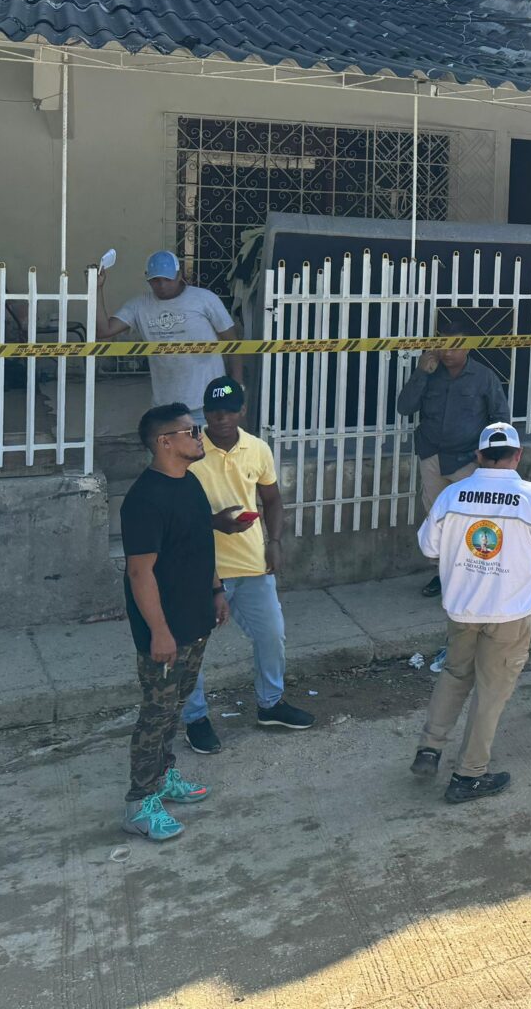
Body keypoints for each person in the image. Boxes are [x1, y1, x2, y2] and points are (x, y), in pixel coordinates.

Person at [411, 422, 531, 803]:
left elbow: (428, 547)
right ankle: (469, 774)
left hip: (462, 610)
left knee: (454, 674)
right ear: (518, 455)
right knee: (491, 692)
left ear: (478, 456)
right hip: (509, 613)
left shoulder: (452, 495)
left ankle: (429, 749)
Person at [179, 377, 315, 756]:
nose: (220, 418)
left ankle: (270, 704)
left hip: (252, 563)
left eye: (228, 411)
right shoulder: (190, 449)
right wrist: (213, 522)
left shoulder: (257, 448)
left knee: (272, 635)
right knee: (193, 647)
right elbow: (174, 510)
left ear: (242, 411)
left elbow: (272, 499)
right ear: (204, 413)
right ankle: (195, 718)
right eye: (213, 411)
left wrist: (275, 542)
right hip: (201, 567)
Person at [120, 403, 230, 843]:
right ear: (165, 442)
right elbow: (139, 573)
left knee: (176, 707)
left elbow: (202, 542)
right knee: (156, 714)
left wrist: (217, 590)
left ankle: (164, 777)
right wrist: (159, 631)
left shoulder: (191, 482)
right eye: (192, 431)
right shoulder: (145, 499)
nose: (200, 437)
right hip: (164, 630)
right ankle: (139, 803)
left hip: (195, 620)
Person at [396, 316, 512, 597]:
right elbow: (404, 407)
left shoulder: (483, 377)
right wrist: (421, 373)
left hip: (468, 460)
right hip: (432, 456)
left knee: (474, 519)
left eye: (454, 346)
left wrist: (490, 458)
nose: (447, 352)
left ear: (468, 347)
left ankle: (474, 576)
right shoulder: (430, 373)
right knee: (437, 519)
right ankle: (443, 574)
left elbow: (500, 419)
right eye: (442, 345)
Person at [97, 251, 241, 413]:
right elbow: (104, 330)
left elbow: (233, 343)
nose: (162, 285)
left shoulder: (205, 299)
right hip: (165, 406)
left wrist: (236, 389)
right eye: (156, 280)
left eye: (167, 279)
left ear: (179, 275)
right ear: (147, 278)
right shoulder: (139, 306)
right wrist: (97, 289)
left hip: (209, 404)